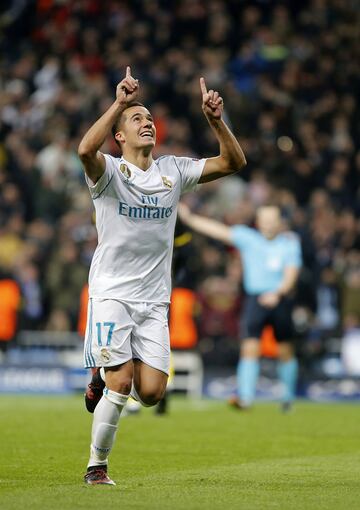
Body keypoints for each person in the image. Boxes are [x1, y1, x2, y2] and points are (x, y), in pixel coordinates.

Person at [78, 66, 246, 485]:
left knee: (151, 393)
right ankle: (96, 467)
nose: (147, 122)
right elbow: (84, 150)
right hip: (112, 291)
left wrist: (215, 122)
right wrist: (118, 103)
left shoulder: (173, 170)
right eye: (137, 119)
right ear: (119, 135)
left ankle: (100, 374)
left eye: (149, 118)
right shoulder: (110, 173)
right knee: (122, 380)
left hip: (155, 299)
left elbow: (234, 162)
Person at [178, 203, 302, 412]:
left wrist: (278, 293)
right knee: (249, 349)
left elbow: (292, 273)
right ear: (258, 222)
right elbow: (219, 231)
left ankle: (288, 398)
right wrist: (190, 219)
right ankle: (245, 398)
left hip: (280, 300)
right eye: (265, 220)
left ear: (279, 222)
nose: (268, 225)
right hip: (255, 299)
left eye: (272, 221)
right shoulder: (249, 239)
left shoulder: (289, 243)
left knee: (285, 351)